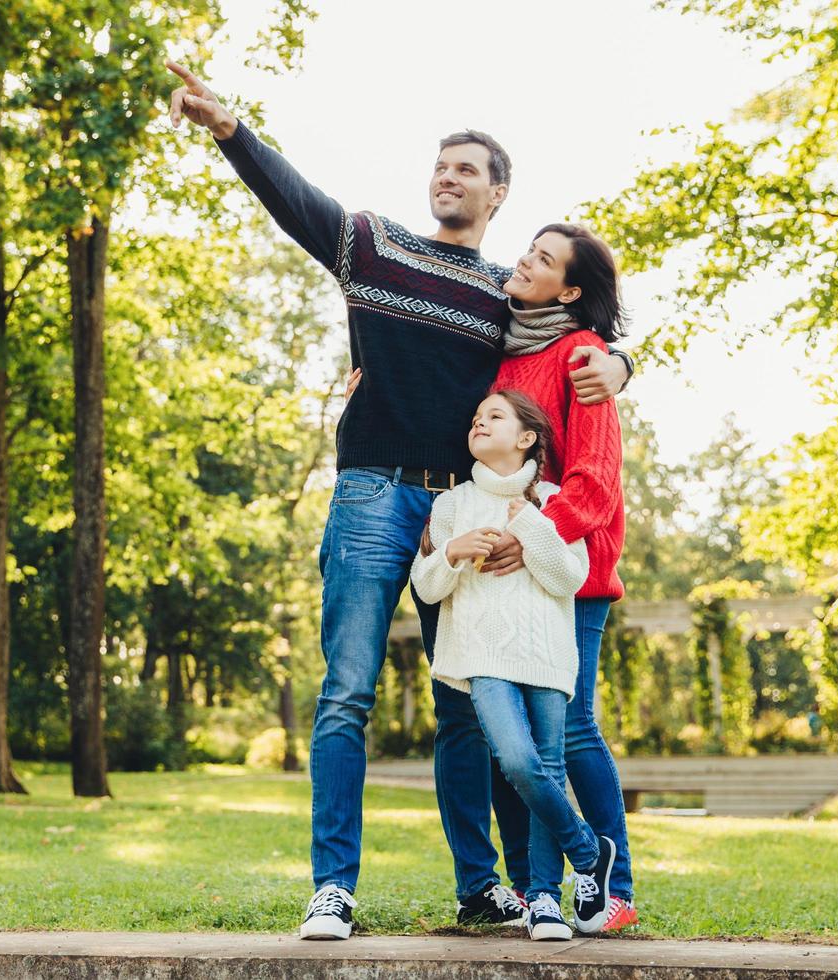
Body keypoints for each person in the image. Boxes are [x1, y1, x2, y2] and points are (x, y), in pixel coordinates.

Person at [165, 60, 633, 940]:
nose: (447, 177)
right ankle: (332, 888)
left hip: (464, 509)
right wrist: (230, 130)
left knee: (468, 700)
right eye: (440, 164)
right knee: (346, 691)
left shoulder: (505, 295)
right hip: (373, 500)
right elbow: (292, 198)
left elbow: (577, 334)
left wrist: (619, 362)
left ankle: (482, 887)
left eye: (467, 168)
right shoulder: (372, 245)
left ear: (497, 192)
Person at [411, 389, 616, 940]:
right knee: (517, 761)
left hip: (548, 659)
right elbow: (426, 588)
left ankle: (545, 900)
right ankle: (588, 848)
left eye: (493, 417)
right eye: (476, 418)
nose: (479, 423)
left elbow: (570, 578)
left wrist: (531, 524)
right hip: (482, 657)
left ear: (526, 437)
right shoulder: (450, 504)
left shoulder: (550, 500)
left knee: (547, 767)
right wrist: (452, 552)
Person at [491, 224, 638, 933]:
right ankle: (531, 888)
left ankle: (617, 887)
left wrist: (533, 539)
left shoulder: (580, 354)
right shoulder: (506, 344)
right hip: (511, 575)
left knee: (573, 727)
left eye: (543, 260)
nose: (523, 262)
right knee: (511, 735)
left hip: (570, 572)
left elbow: (594, 480)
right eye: (528, 249)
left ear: (570, 291)